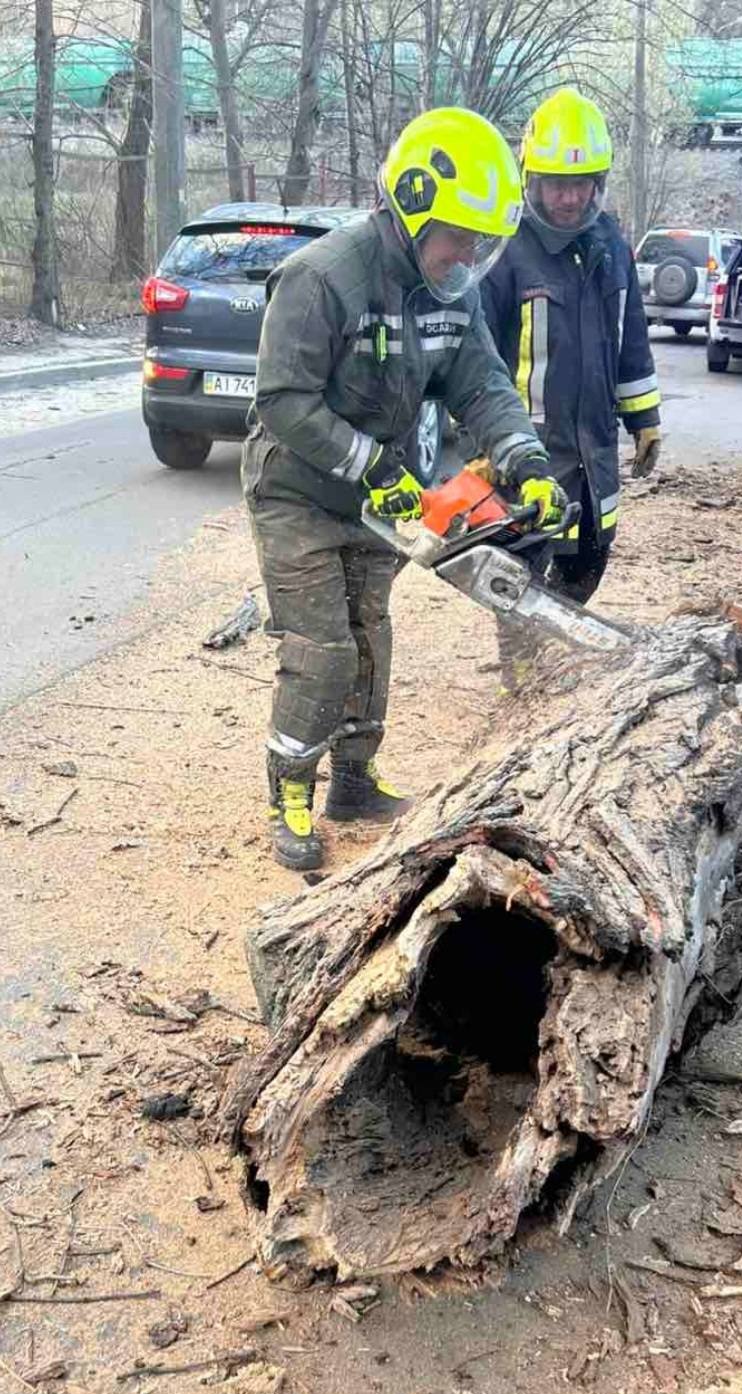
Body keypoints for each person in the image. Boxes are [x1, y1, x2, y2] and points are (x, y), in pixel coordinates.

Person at [244, 107, 566, 871]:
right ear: (414, 204)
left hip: (374, 494)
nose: (469, 255)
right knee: (321, 648)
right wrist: (373, 465)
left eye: (481, 242)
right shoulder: (323, 278)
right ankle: (289, 785)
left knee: (370, 636)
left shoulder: (448, 291)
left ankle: (354, 780)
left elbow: (484, 384)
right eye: (460, 236)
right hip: (296, 488)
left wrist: (525, 459)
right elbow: (282, 399)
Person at [479, 88, 662, 621]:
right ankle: (524, 681)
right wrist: (483, 442)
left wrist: (644, 419)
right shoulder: (504, 250)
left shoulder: (610, 244)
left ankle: (549, 673)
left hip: (594, 455)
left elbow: (631, 339)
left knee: (585, 572)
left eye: (580, 184)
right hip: (529, 455)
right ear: (531, 180)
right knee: (517, 589)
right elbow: (476, 362)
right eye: (557, 184)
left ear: (598, 183)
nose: (569, 198)